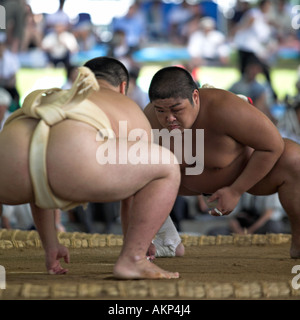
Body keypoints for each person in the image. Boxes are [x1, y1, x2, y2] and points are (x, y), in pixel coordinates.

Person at [0, 57, 180, 279]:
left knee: (44, 161)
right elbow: (134, 196)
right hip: (73, 162)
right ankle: (133, 260)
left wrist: (51, 244)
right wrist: (139, 247)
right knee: (168, 166)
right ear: (123, 87)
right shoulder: (125, 105)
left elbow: (41, 172)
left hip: (9, 158)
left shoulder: (60, 97)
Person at [144, 65, 300, 259]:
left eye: (177, 109)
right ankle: (166, 241)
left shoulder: (226, 108)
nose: (169, 118)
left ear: (195, 97)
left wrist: (236, 190)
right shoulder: (149, 119)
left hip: (244, 175)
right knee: (130, 166)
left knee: (293, 158)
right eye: (161, 111)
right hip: (183, 185)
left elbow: (273, 146)